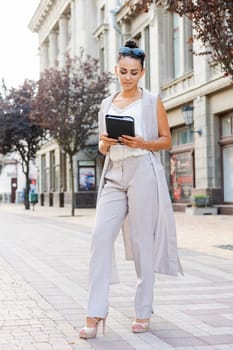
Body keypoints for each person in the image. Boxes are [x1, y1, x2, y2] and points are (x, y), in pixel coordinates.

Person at [79, 40, 182, 339]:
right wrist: (105, 142)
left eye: (133, 72)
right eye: (123, 71)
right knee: (99, 238)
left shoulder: (152, 101)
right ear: (116, 70)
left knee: (141, 243)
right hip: (114, 174)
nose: (127, 77)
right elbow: (101, 146)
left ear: (142, 72)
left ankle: (143, 310)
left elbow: (166, 140)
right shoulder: (106, 104)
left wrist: (143, 142)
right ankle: (95, 311)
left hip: (142, 171)